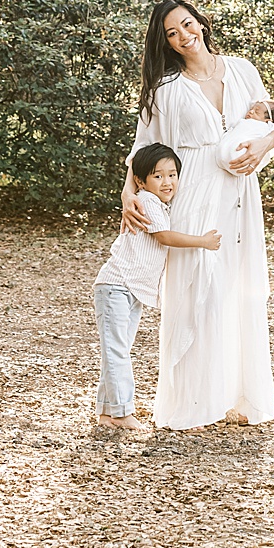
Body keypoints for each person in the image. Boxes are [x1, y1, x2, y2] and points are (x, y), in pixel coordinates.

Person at [123, 0, 274, 431]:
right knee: (198, 289)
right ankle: (195, 400)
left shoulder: (242, 69)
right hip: (193, 193)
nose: (183, 36)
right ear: (166, 44)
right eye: (172, 34)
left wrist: (261, 148)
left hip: (240, 193)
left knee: (240, 287)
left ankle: (239, 395)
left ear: (201, 22)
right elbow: (143, 147)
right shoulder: (165, 90)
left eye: (187, 24)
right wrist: (129, 194)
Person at [93, 143, 220, 432]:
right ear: (141, 181)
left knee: (118, 350)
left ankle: (107, 413)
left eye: (172, 174)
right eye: (158, 176)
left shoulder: (159, 203)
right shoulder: (146, 201)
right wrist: (202, 241)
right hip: (116, 284)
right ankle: (123, 412)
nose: (167, 182)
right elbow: (163, 237)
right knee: (117, 351)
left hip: (131, 288)